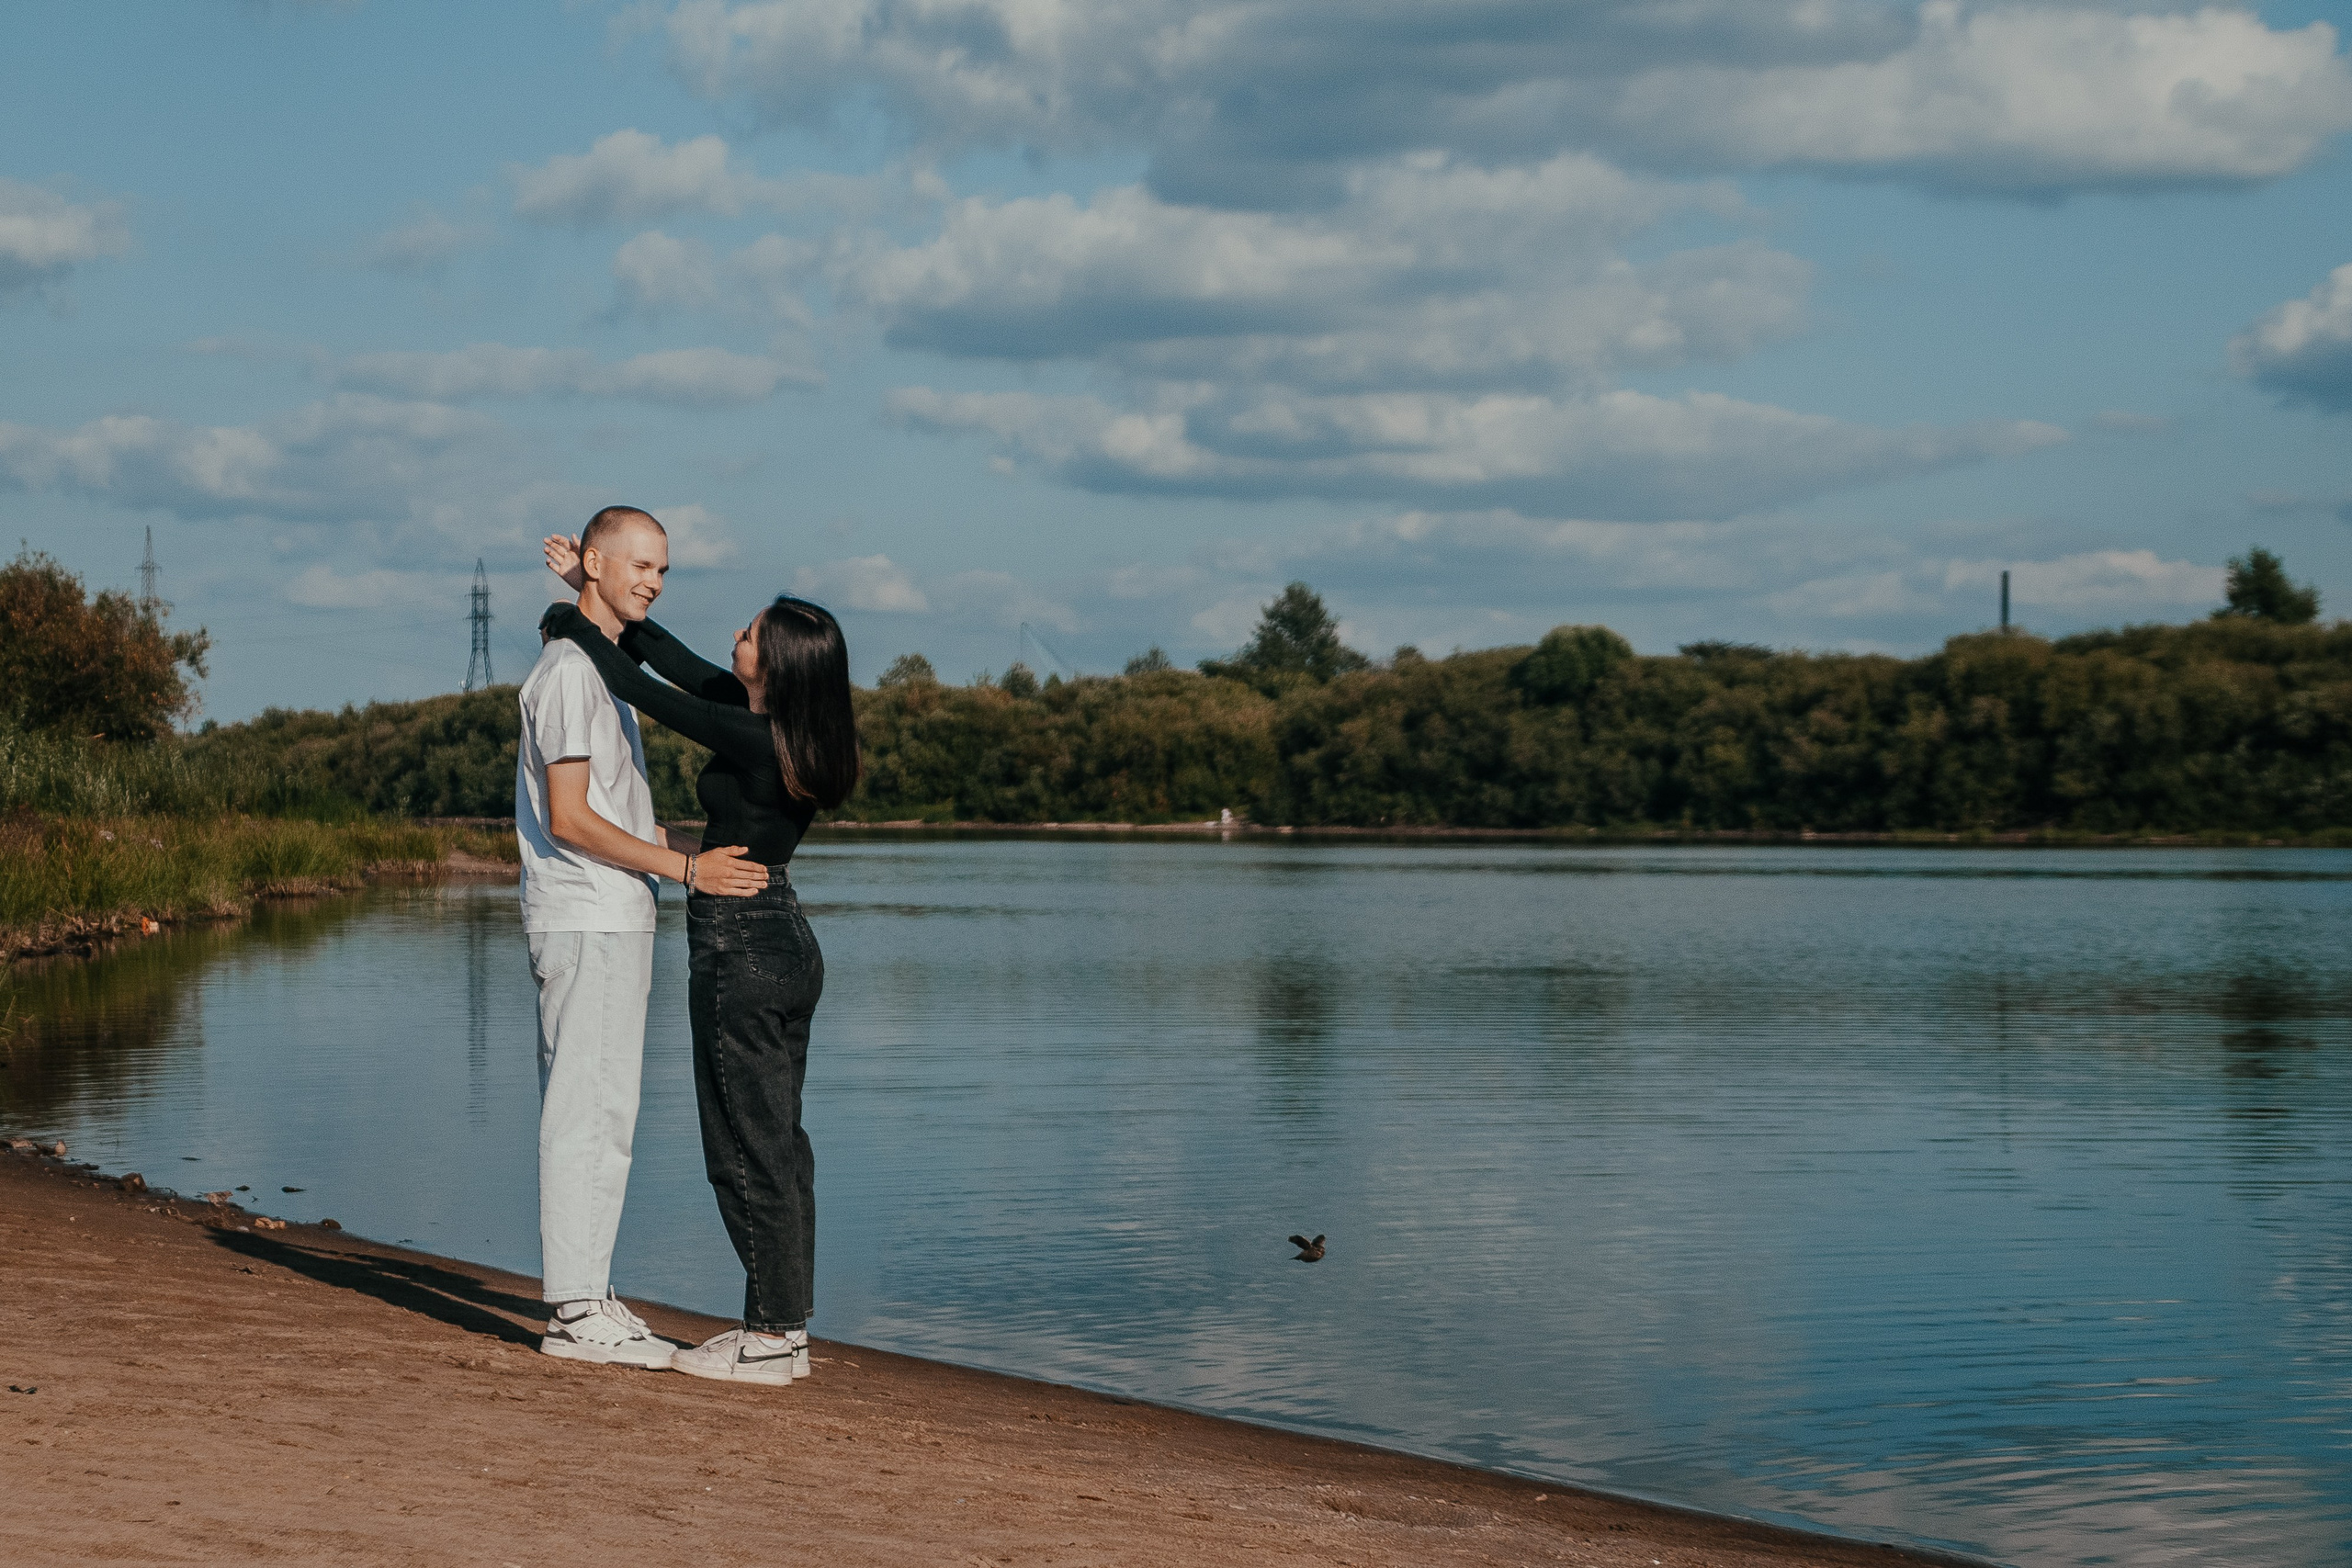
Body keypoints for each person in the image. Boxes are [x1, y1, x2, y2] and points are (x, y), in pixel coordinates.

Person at [540, 530, 861, 1388]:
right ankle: (784, 1331)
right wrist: (596, 589)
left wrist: (569, 620)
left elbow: (635, 687)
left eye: (751, 635)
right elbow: (673, 659)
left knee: (743, 1146)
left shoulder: (757, 739)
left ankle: (767, 1336)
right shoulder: (775, 725)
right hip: (784, 937)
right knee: (781, 1146)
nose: (735, 639)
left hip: (742, 946)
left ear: (779, 665)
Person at [514, 505, 767, 1370]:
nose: (654, 581)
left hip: (612, 917)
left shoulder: (601, 668)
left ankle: (588, 1295)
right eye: (639, 565)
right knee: (584, 1111)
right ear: (591, 560)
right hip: (586, 913)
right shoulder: (570, 675)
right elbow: (572, 818)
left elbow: (660, 674)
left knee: (605, 1111)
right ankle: (574, 1310)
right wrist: (686, 868)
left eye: (664, 569)